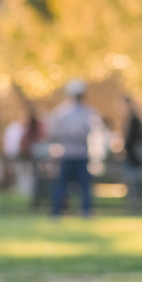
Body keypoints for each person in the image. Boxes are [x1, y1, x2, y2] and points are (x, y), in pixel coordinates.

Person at [48, 79, 101, 217]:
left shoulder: (61, 112)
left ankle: (57, 211)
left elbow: (53, 132)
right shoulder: (88, 112)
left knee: (64, 185)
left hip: (68, 153)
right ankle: (84, 211)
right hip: (78, 154)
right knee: (80, 186)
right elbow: (91, 130)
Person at [120, 95, 142, 214]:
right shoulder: (136, 119)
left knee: (134, 183)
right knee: (135, 184)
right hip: (136, 158)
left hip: (134, 158)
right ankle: (136, 207)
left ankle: (135, 207)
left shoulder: (133, 120)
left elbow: (129, 140)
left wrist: (123, 150)